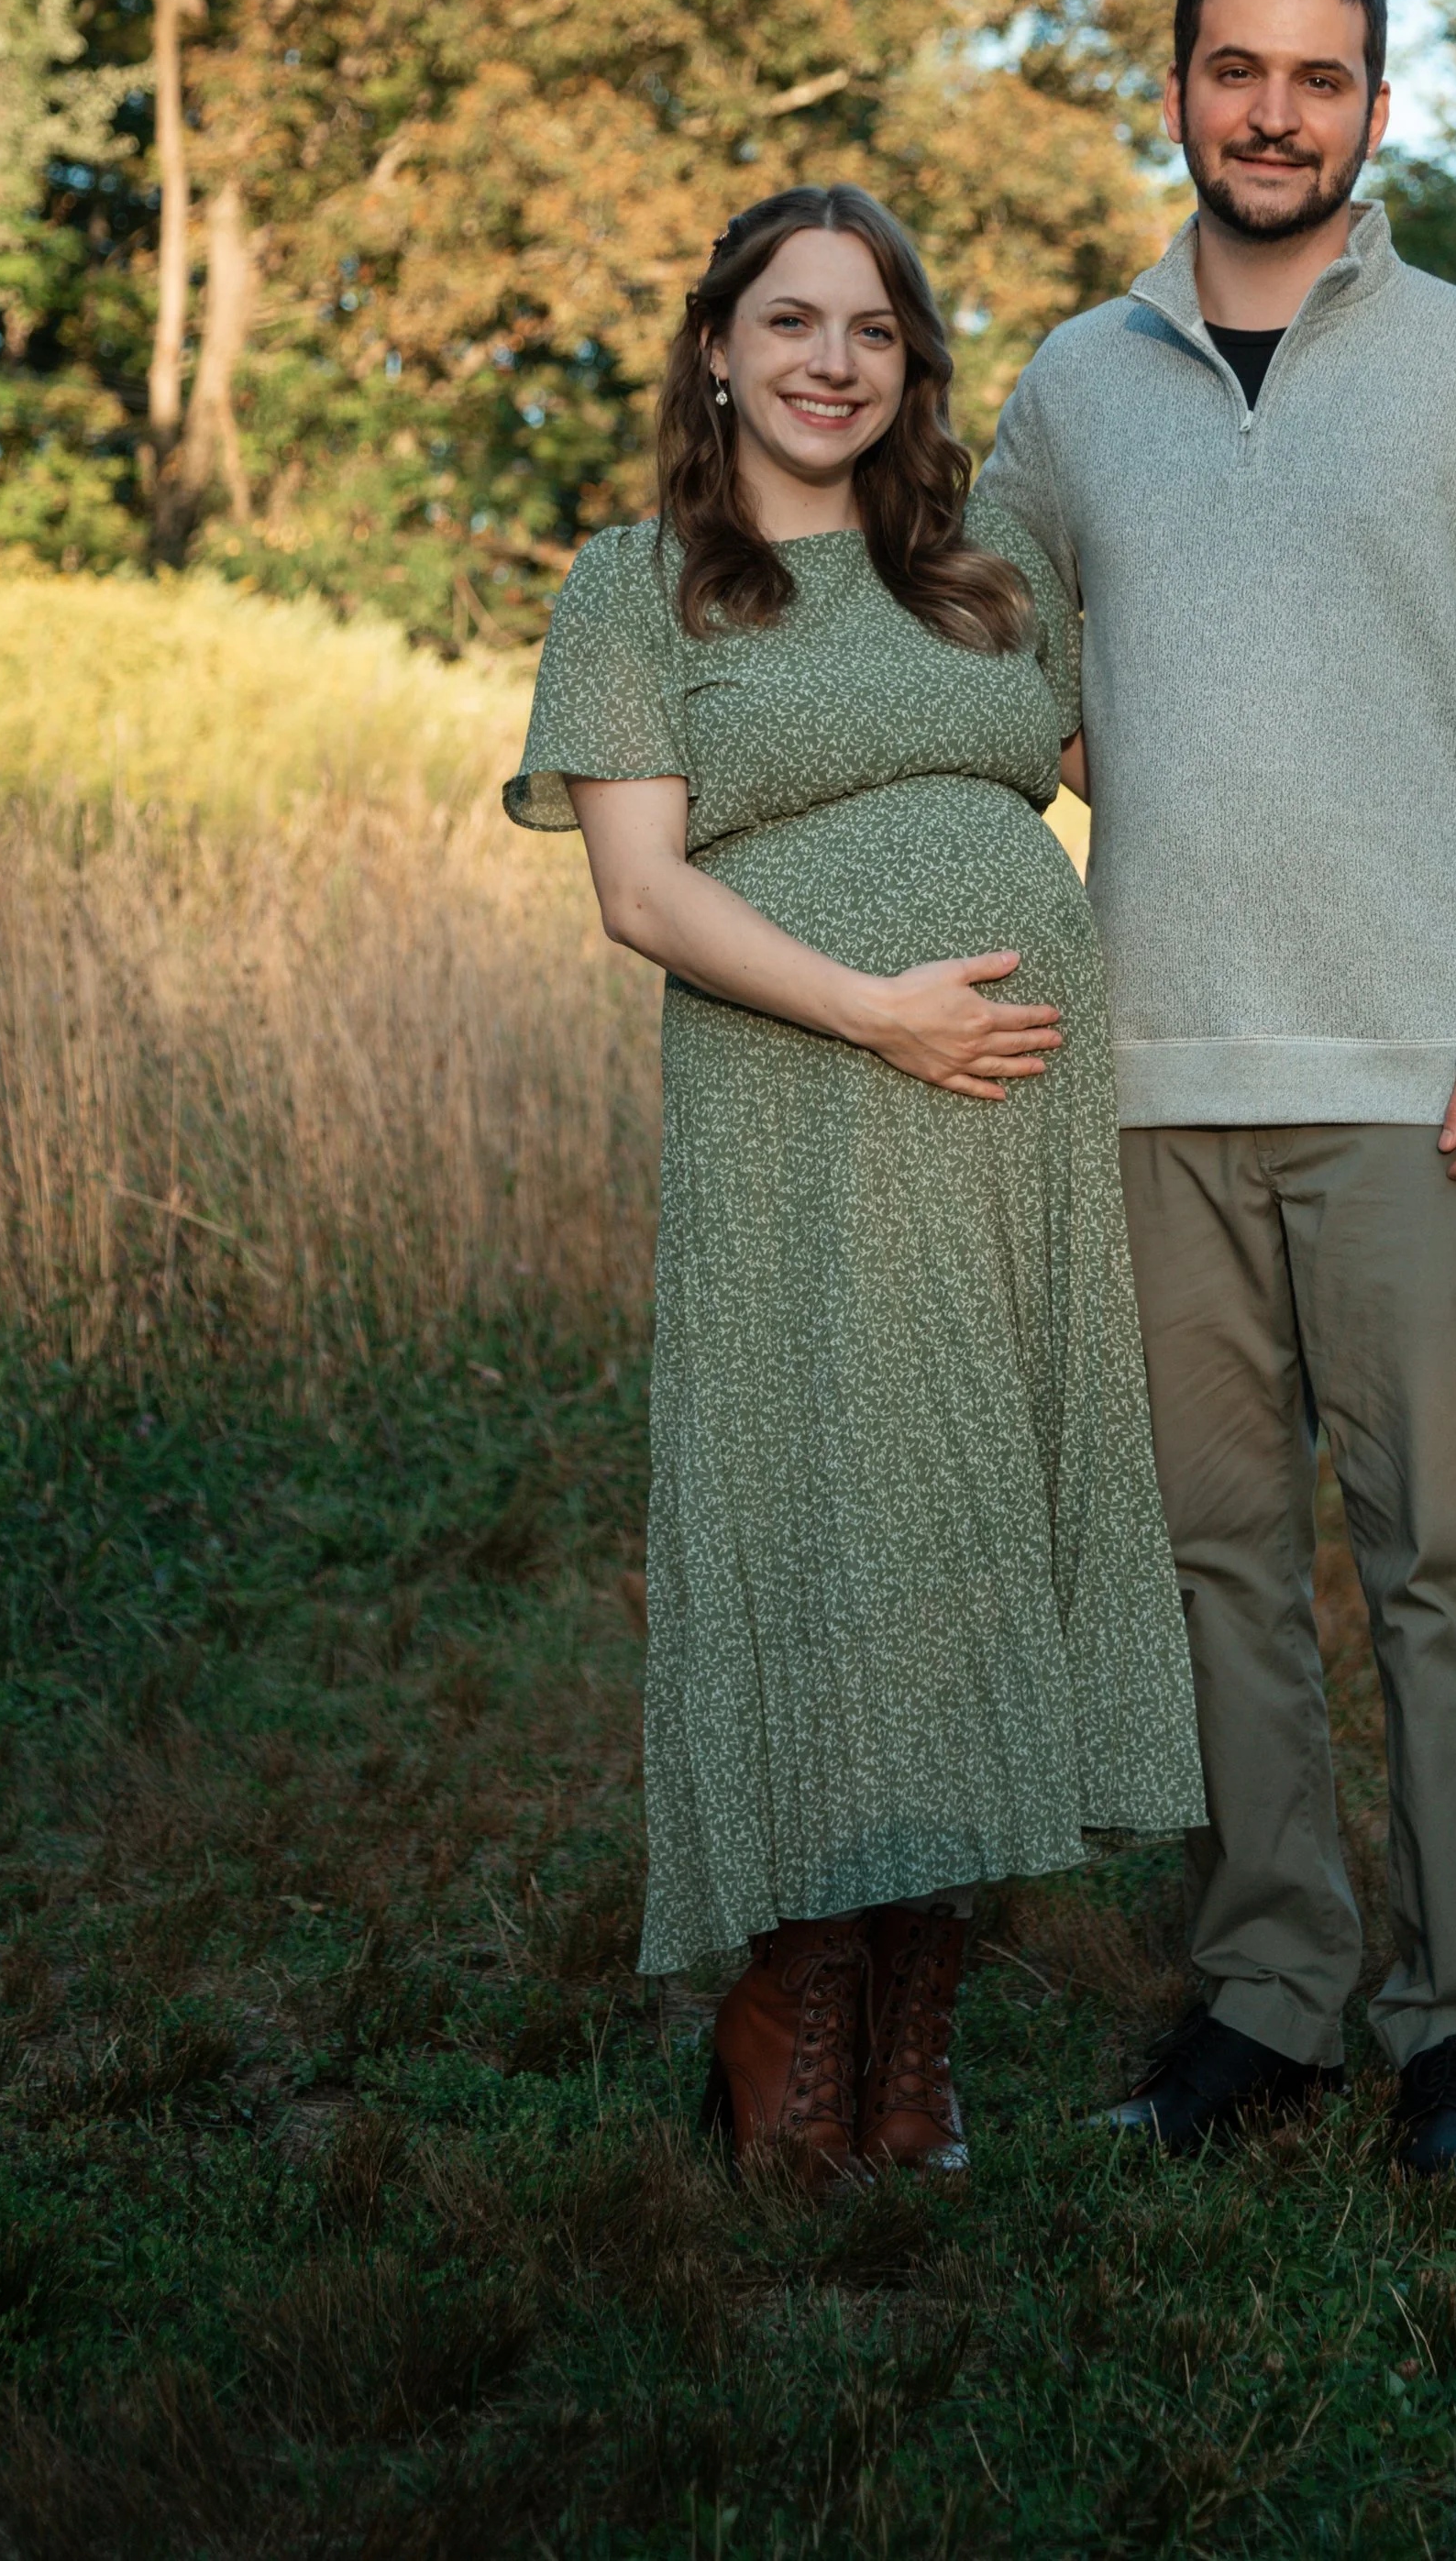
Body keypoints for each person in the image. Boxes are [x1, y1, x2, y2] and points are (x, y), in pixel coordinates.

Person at [977, 0, 1456, 2180]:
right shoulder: (1074, 383)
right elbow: (984, 645)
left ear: (1375, 110)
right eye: (1233, 69)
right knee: (1216, 1564)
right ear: (1173, 90)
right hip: (1152, 1077)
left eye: (1316, 76)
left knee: (1442, 1565)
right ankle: (1266, 1994)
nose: (1272, 111)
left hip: (1425, 1086)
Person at [505, 184, 1203, 2194]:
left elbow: (1167, 777)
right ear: (716, 349)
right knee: (830, 1526)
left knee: (977, 1538)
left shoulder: (987, 579)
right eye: (792, 321)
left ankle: (913, 2021)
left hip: (1018, 1141)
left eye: (873, 330)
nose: (832, 361)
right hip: (806, 1112)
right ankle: (788, 2004)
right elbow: (641, 893)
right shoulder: (639, 587)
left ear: (913, 367)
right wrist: (876, 1011)